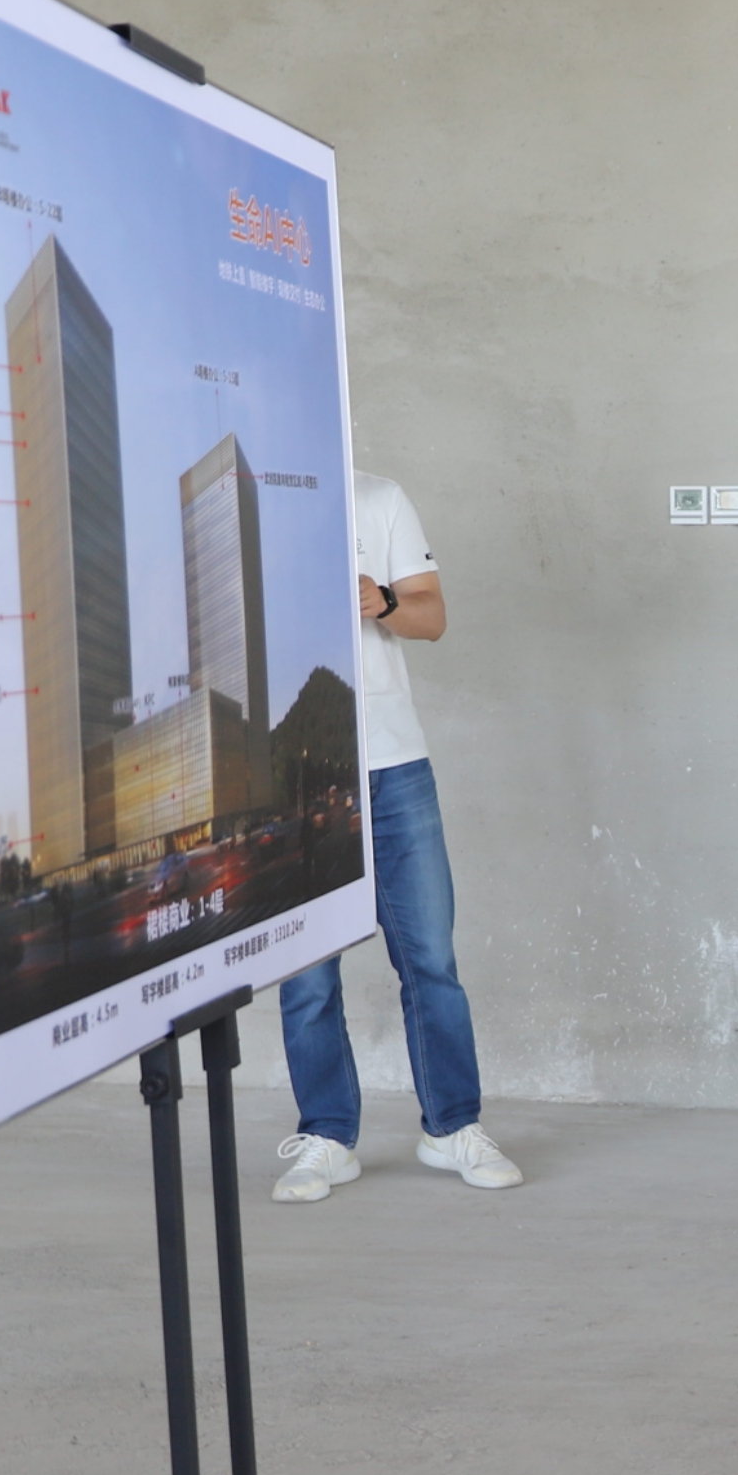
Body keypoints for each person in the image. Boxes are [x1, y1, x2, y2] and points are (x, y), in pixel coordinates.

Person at [273, 470, 522, 1200]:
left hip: (392, 763)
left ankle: (452, 1128)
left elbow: (431, 616)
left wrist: (380, 600)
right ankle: (327, 1137)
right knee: (307, 973)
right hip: (291, 772)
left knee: (430, 959)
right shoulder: (248, 498)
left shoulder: (377, 497)